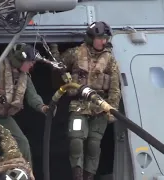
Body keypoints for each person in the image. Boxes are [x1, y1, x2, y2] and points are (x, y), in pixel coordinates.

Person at [49, 21, 121, 180]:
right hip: (79, 106)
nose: (103, 41)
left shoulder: (110, 61)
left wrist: (111, 110)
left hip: (99, 109)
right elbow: (58, 64)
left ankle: (89, 177)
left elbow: (115, 88)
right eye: (100, 38)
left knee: (94, 146)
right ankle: (78, 176)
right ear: (91, 38)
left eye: (105, 38)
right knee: (76, 141)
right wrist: (53, 49)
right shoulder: (76, 53)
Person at [0, 43, 49, 166]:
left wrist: (42, 107)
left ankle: (27, 173)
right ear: (19, 60)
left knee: (22, 142)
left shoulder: (25, 77)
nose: (32, 65)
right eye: (29, 62)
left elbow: (32, 96)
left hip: (2, 117)